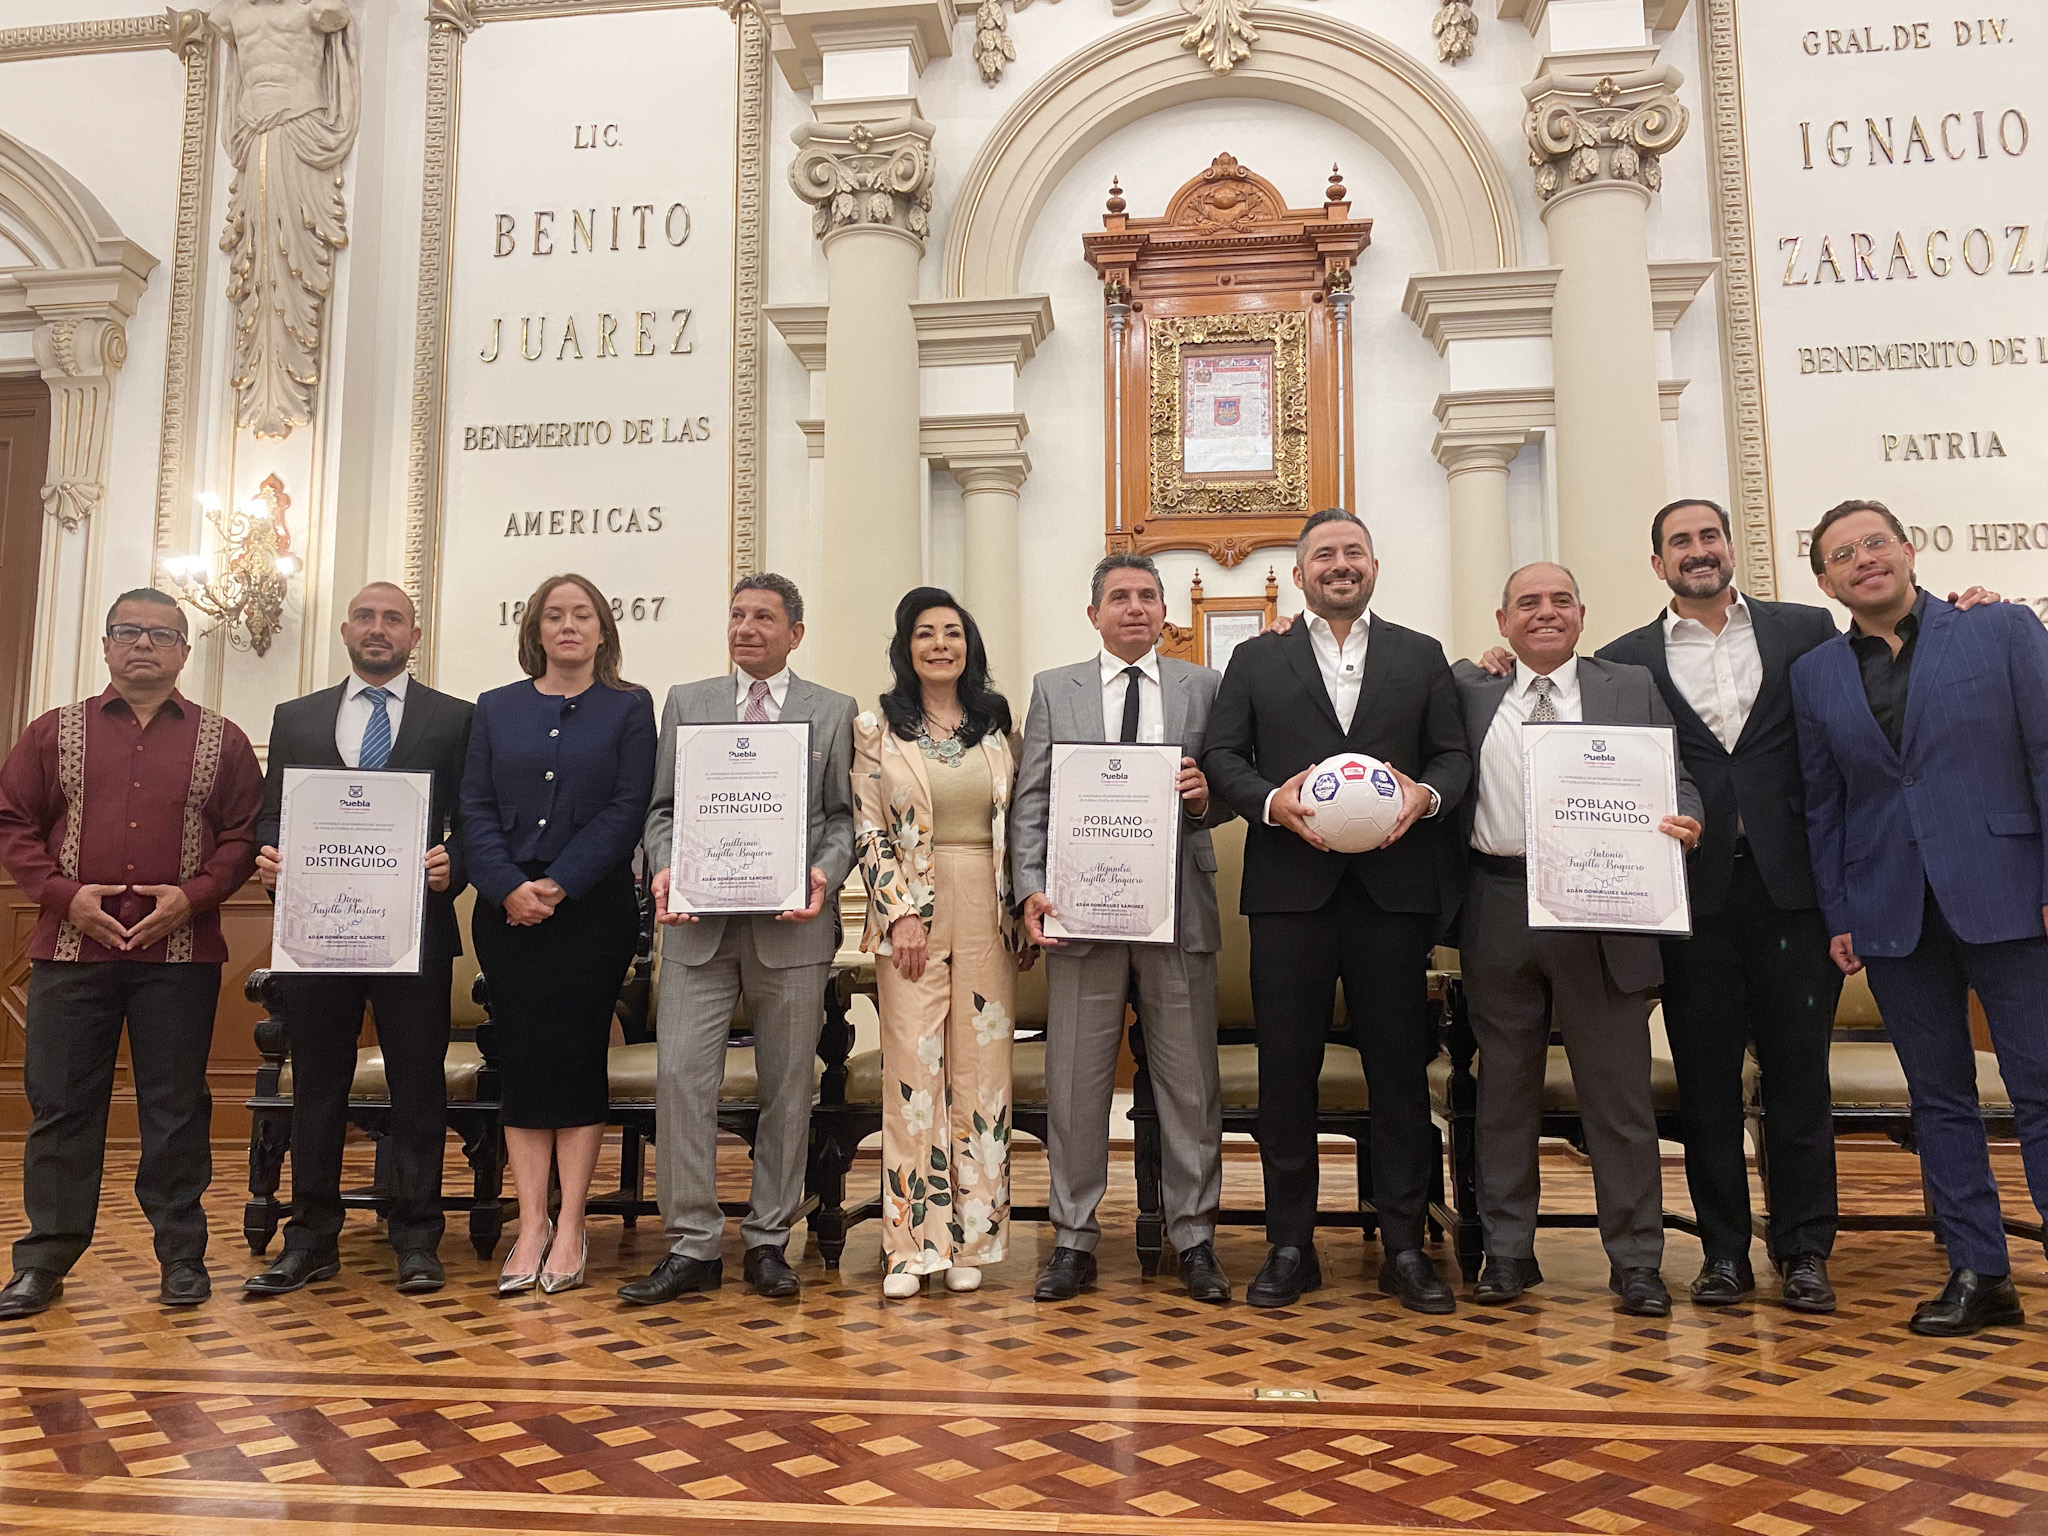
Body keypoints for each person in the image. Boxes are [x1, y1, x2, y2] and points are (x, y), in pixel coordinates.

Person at [1204, 509, 1471, 1313]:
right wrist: (1269, 803)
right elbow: (1222, 758)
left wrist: (1425, 797)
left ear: (1375, 566)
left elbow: (1453, 756)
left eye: (1354, 551)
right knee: (1289, 1075)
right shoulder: (1256, 657)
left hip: (1395, 893)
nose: (1340, 564)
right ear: (1301, 571)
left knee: (1396, 1071)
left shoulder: (1421, 656)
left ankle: (1401, 1246)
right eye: (1325, 554)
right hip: (1291, 893)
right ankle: (1291, 1243)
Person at [1792, 499, 2048, 1337]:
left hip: (2008, 892)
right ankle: (1980, 1271)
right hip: (1890, 910)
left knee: (2040, 1088)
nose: (1862, 560)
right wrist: (1840, 909)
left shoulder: (2001, 630)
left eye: (1874, 543)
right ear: (1824, 581)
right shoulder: (1816, 675)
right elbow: (1824, 805)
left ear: (1907, 550)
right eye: (1841, 554)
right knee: (1940, 1099)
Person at [0, 590, 263, 1319]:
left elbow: (243, 836)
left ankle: (181, 1258)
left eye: (161, 634)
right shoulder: (53, 733)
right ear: (106, 645)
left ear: (184, 651)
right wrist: (62, 895)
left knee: (175, 1109)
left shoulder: (224, 741)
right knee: (61, 1108)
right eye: (128, 632)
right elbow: (14, 824)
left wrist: (193, 896)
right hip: (67, 951)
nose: (143, 645)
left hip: (177, 958)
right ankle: (44, 1260)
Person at [1453, 563, 1702, 1317]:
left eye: (1561, 599)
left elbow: (1678, 778)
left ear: (1583, 613)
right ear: (1502, 623)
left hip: (1606, 905)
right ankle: (1507, 1252)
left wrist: (1688, 818)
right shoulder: (1468, 690)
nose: (1546, 613)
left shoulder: (1628, 686)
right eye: (1527, 603)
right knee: (1505, 1090)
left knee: (1617, 1092)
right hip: (1498, 903)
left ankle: (1636, 1261)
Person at [622, 575, 857, 1304]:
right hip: (698, 929)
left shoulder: (834, 711)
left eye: (764, 617)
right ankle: (692, 1245)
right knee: (680, 1082)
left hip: (793, 932)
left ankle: (767, 1241)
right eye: (736, 615)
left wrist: (821, 874)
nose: (746, 627)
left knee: (789, 1087)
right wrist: (664, 870)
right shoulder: (687, 703)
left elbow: (844, 818)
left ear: (796, 632)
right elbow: (660, 812)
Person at [1012, 553, 1238, 1305]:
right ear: (1094, 614)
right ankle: (1074, 1239)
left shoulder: (1205, 688)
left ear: (1164, 611)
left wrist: (1207, 798)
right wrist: (1030, 890)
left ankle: (1194, 1237)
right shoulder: (1054, 689)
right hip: (1081, 915)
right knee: (1075, 1083)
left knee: (1189, 1085)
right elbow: (1031, 803)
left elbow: (1231, 788)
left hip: (1179, 914)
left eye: (1147, 597)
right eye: (1119, 597)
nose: (1133, 608)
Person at [245, 582, 473, 1297]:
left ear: (414, 634)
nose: (379, 630)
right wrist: (271, 854)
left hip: (415, 932)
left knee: (417, 1088)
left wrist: (454, 862)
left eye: (393, 620)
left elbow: (475, 821)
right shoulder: (297, 716)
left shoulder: (455, 719)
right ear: (346, 629)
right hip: (318, 933)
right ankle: (310, 1235)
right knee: (317, 1085)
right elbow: (271, 816)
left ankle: (416, 1236)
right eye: (367, 618)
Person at [462, 573, 655, 1297]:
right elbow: (473, 807)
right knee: (523, 1058)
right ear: (535, 631)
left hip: (591, 912)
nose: (568, 626)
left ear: (604, 631)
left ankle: (573, 1223)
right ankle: (531, 1222)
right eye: (555, 616)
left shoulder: (630, 709)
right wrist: (508, 885)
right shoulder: (494, 709)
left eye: (583, 615)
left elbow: (628, 807)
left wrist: (559, 883)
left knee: (576, 1059)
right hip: (505, 913)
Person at [854, 588, 1033, 1300]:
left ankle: (969, 1240)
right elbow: (868, 828)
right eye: (925, 634)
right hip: (913, 915)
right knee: (914, 1077)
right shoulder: (876, 729)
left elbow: (1019, 823)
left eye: (952, 633)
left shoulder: (995, 723)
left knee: (983, 1077)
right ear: (906, 647)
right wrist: (898, 912)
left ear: (969, 646)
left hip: (986, 904)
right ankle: (909, 1248)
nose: (939, 645)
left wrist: (1020, 910)